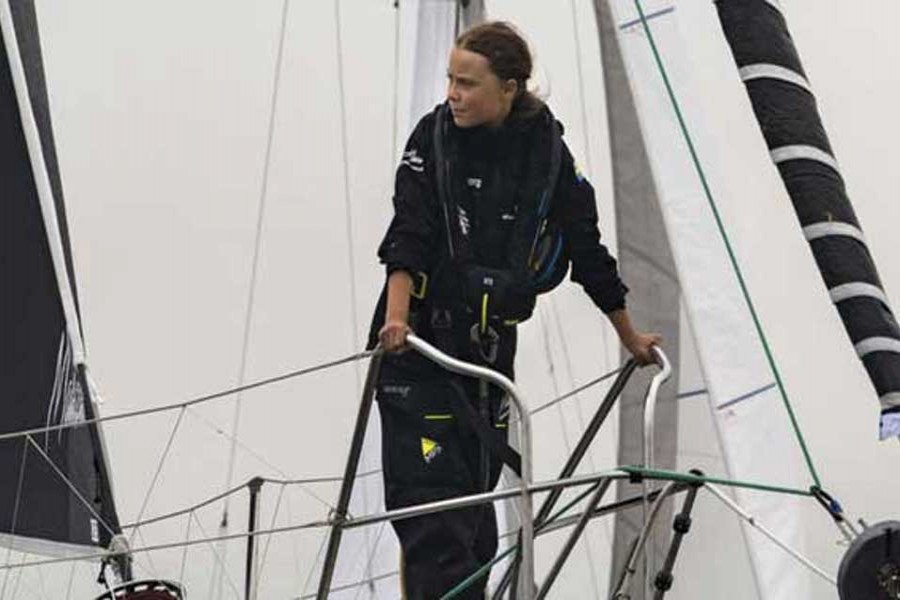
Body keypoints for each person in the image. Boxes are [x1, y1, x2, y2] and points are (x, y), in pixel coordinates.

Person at [366, 21, 660, 599]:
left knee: (478, 529)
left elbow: (587, 249)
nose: (453, 93)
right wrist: (395, 321)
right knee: (435, 523)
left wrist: (629, 336)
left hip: (489, 358)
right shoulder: (433, 139)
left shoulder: (548, 154)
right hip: (419, 354)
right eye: (450, 80)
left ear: (509, 88)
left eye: (467, 83)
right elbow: (408, 232)